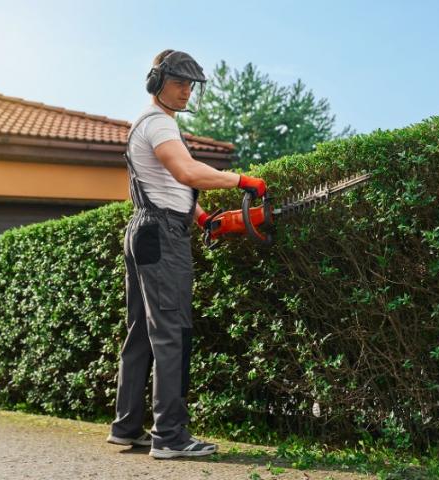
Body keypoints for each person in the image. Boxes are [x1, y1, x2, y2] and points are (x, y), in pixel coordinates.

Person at [106, 49, 266, 459]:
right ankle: (170, 437)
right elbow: (186, 172)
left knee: (142, 330)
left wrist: (202, 218)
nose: (186, 91)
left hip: (148, 228)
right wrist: (242, 180)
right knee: (172, 331)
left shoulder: (153, 125)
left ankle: (126, 428)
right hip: (160, 235)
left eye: (190, 85)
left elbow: (167, 185)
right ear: (156, 81)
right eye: (179, 82)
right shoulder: (159, 124)